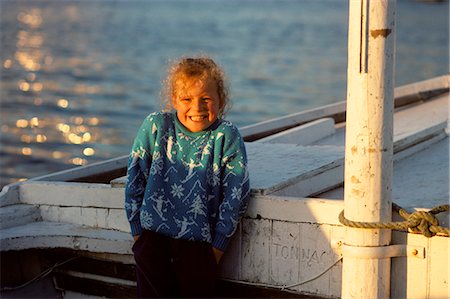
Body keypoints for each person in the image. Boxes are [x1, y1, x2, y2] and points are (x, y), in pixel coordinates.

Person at [124, 55, 250, 298]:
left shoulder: (226, 136)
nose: (197, 107)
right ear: (174, 100)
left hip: (199, 247)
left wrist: (217, 246)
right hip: (152, 241)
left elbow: (237, 193)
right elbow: (135, 176)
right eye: (186, 99)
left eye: (206, 99)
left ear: (221, 101)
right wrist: (138, 231)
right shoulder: (156, 126)